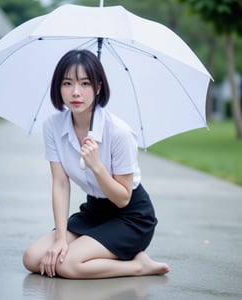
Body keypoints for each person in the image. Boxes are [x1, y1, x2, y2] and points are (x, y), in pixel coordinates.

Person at [22, 49, 170, 279]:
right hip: (94, 211)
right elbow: (60, 184)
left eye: (85, 83)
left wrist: (97, 166)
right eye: (67, 83)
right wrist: (61, 238)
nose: (76, 92)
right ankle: (94, 249)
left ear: (98, 87)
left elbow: (123, 198)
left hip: (131, 216)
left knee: (67, 265)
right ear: (58, 87)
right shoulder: (52, 126)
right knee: (32, 258)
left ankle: (140, 266)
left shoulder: (119, 132)